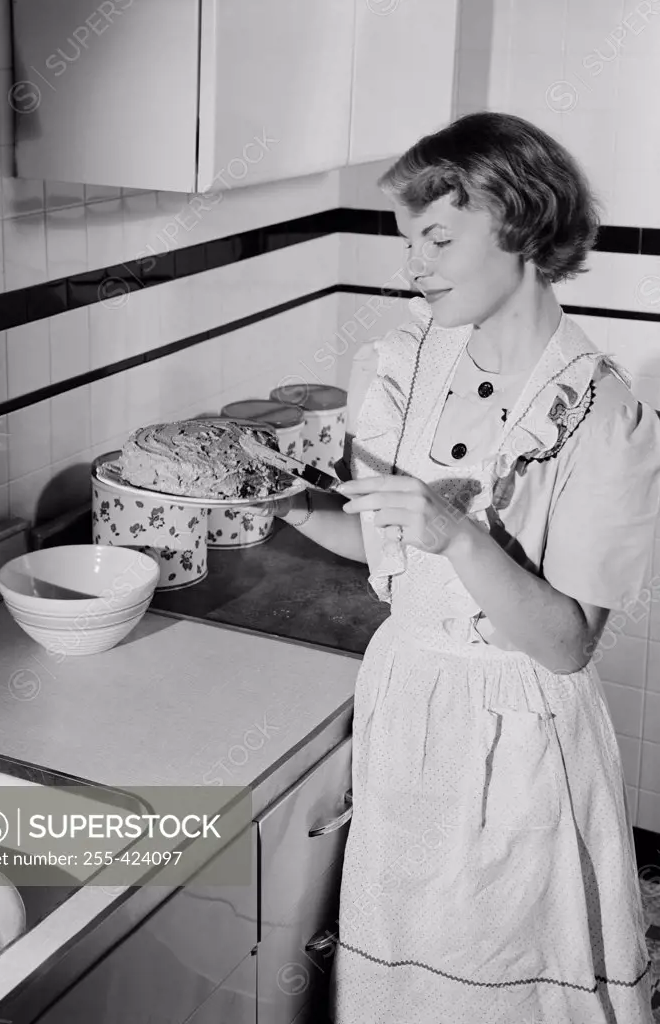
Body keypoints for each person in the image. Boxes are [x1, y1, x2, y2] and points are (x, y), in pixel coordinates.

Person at [271, 112, 660, 1023]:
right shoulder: (400, 366)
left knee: (504, 980)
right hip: (407, 701)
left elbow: (565, 645)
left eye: (438, 238)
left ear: (521, 225)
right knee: (401, 979)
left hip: (517, 734)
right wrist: (285, 510)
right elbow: (388, 550)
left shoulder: (600, 414)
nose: (414, 267)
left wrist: (458, 536)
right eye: (409, 243)